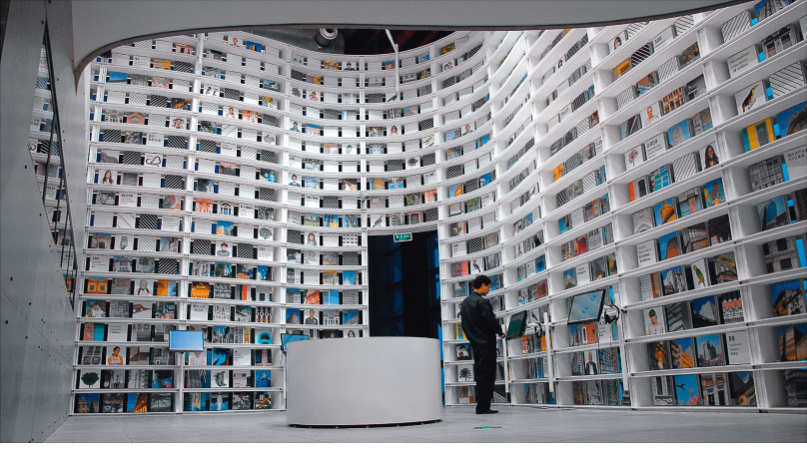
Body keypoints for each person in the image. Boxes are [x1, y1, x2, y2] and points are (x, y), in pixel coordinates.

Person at [460, 275, 503, 414]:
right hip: (486, 343)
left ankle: (481, 405)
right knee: (488, 375)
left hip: (475, 344)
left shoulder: (465, 303)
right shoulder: (481, 302)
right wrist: (500, 331)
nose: (489, 290)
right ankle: (484, 407)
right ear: (483, 285)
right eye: (489, 287)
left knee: (480, 374)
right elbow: (490, 320)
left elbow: (464, 325)